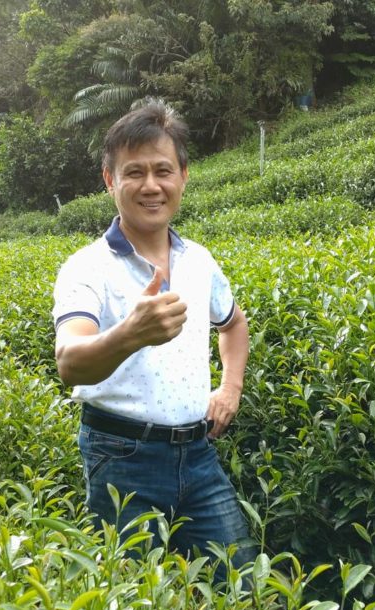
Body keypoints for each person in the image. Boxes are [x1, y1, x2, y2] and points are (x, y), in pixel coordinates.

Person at [52, 101, 253, 572]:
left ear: (183, 175)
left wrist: (230, 388)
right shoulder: (87, 267)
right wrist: (130, 335)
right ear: (110, 181)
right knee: (137, 605)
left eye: (163, 170)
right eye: (134, 172)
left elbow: (233, 324)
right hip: (122, 459)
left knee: (243, 587)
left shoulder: (198, 260)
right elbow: (70, 361)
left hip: (199, 455)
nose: (150, 185)